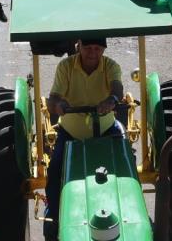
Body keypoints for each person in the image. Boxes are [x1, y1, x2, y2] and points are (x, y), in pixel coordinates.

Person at [44, 38, 125, 236]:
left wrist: (111, 100)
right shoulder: (66, 66)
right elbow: (53, 98)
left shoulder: (111, 66)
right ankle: (54, 213)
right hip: (71, 133)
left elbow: (117, 89)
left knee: (126, 171)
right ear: (79, 47)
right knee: (55, 171)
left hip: (106, 129)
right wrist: (58, 105)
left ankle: (126, 210)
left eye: (98, 49)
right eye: (88, 48)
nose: (93, 53)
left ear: (103, 49)